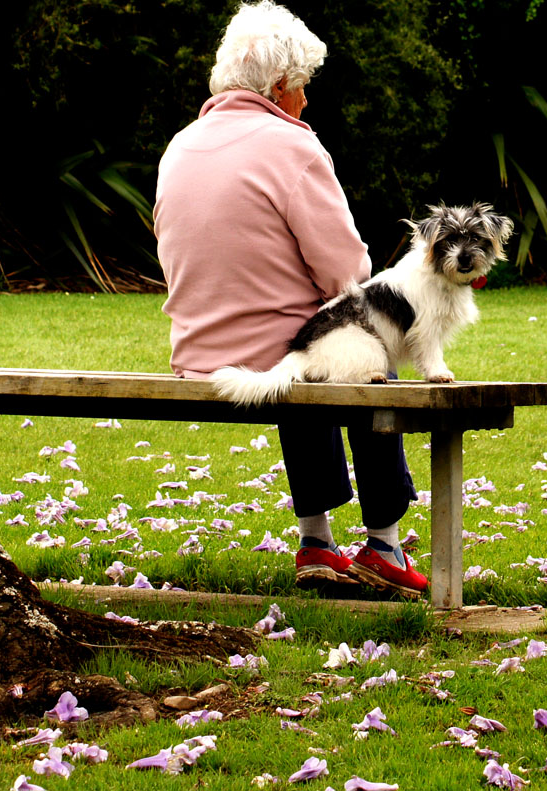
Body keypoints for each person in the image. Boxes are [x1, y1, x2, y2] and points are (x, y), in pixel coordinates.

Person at [153, 0, 428, 596]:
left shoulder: (180, 146)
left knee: (309, 343)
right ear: (279, 86)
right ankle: (384, 542)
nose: (305, 100)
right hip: (278, 357)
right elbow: (348, 271)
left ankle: (316, 541)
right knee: (358, 350)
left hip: (198, 350)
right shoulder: (292, 146)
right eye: (302, 85)